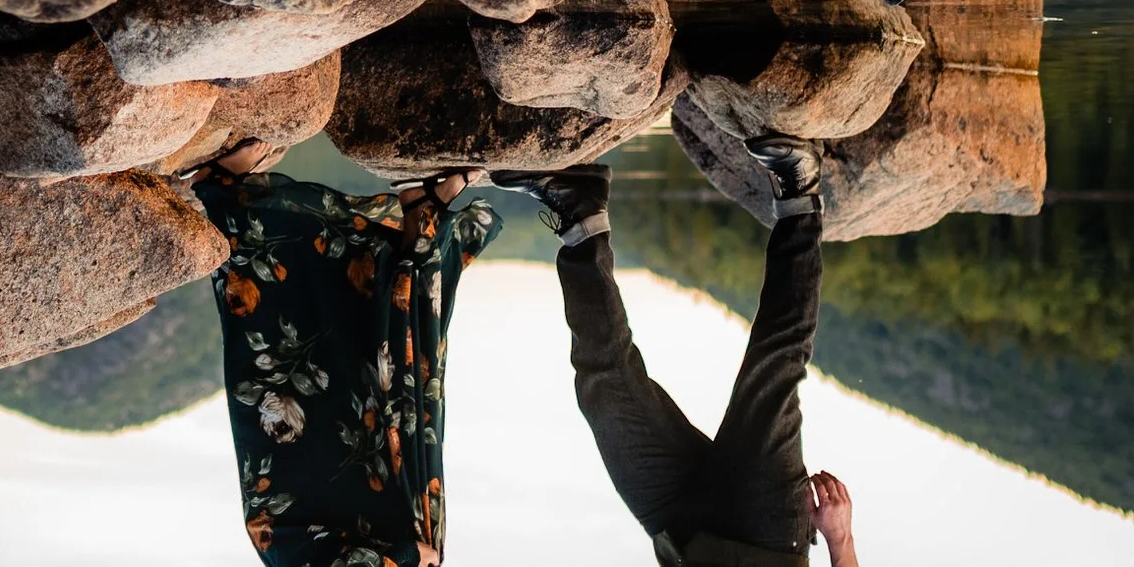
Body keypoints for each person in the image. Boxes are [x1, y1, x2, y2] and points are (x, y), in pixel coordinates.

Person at [494, 135, 863, 567]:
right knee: (773, 368)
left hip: (682, 538)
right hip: (767, 535)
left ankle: (581, 215)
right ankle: (800, 191)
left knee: (605, 390)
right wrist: (841, 541)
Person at [195, 146, 502, 567]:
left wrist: (407, 556)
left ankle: (225, 196)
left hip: (320, 515)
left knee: (301, 343)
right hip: (379, 517)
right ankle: (423, 211)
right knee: (393, 367)